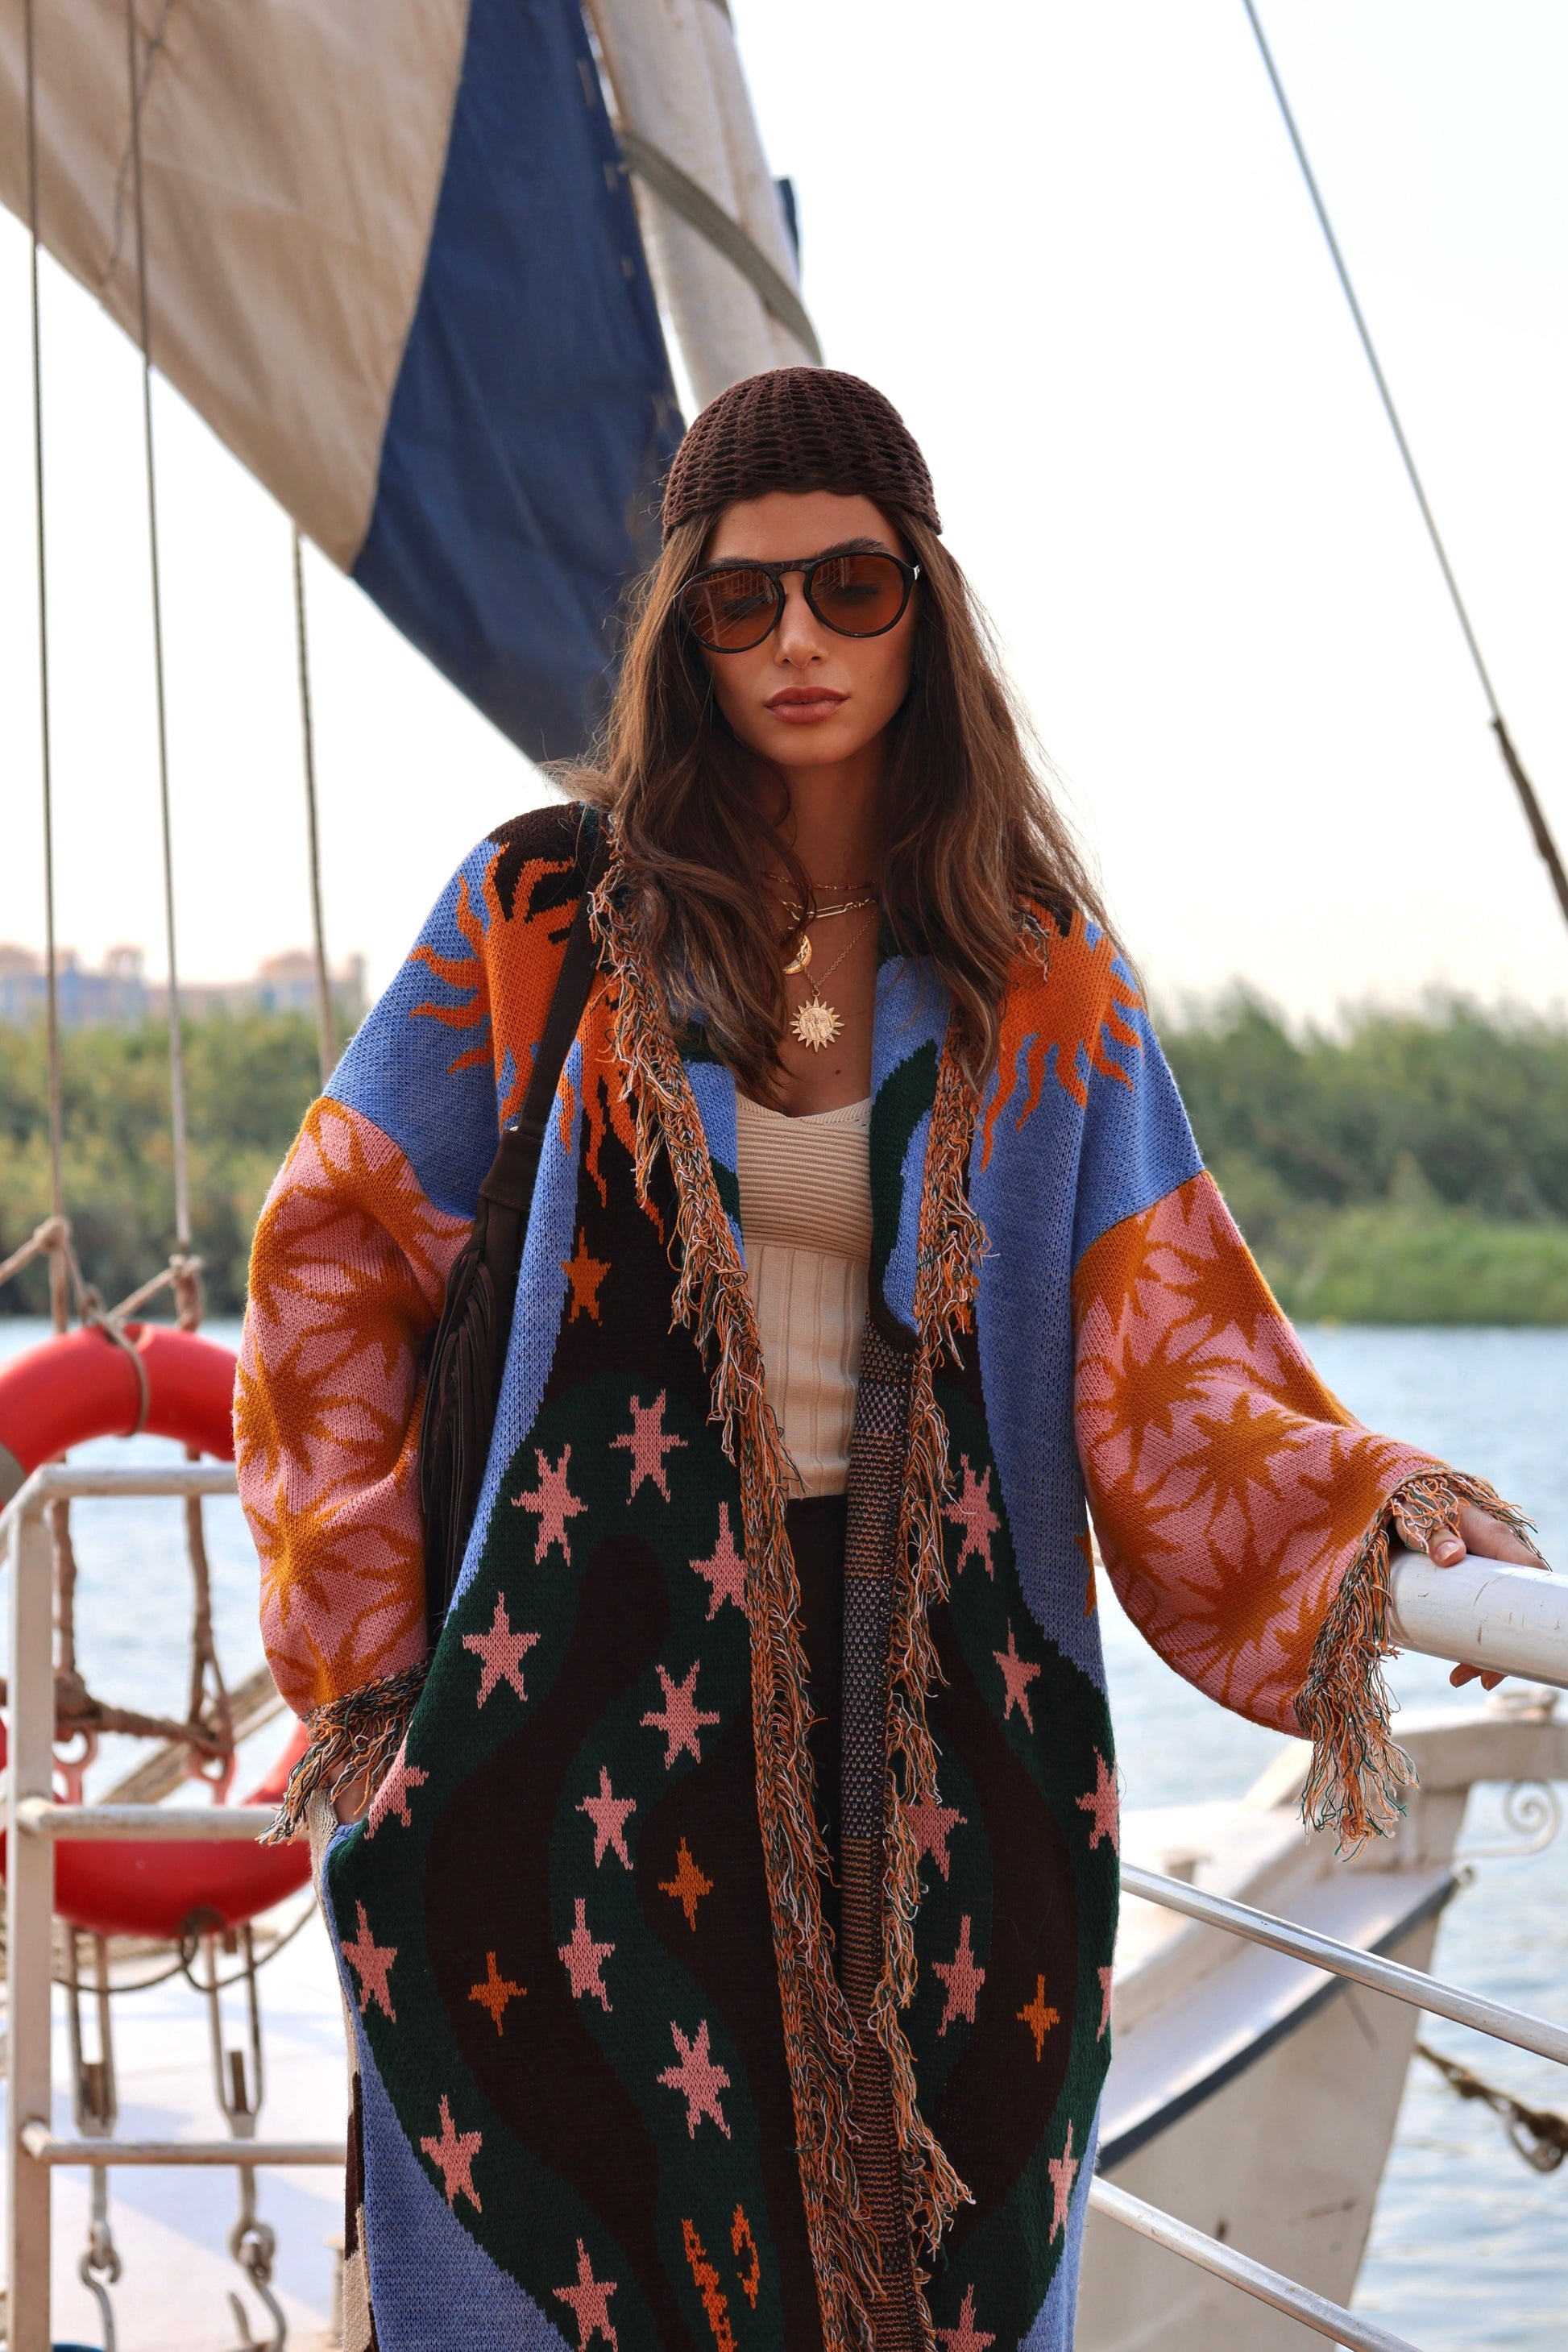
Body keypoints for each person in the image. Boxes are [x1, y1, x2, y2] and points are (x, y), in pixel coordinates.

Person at [238, 367, 1540, 2352]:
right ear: (685, 630)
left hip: (933, 1701)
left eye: (848, 585)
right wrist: (374, 1664)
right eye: (741, 599)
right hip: (578, 1681)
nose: (799, 640)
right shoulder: (542, 912)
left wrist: (1370, 1508)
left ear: (924, 604)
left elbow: (1172, 1338)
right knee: (584, 2200)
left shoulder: (1034, 962)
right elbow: (330, 1256)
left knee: (929, 2211)